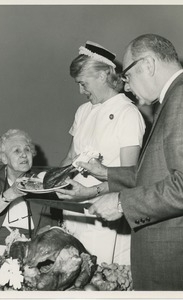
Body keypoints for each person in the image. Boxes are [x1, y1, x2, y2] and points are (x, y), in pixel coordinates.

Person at [76, 34, 183, 291]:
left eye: (128, 75)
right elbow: (158, 173)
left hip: (173, 258)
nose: (126, 86)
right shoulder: (175, 96)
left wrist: (121, 202)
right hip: (161, 253)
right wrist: (106, 173)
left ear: (148, 65)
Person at [57, 41, 145, 264]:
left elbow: (130, 176)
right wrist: (48, 182)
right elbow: (70, 158)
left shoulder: (128, 114)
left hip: (104, 211)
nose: (81, 91)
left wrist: (89, 193)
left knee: (98, 278)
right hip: (75, 209)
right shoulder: (83, 111)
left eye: (83, 84)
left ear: (104, 76)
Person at [0, 129, 58, 244]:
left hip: (29, 242)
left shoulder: (40, 181)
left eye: (27, 149)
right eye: (17, 151)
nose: (24, 155)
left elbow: (47, 223)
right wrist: (14, 192)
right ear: (4, 158)